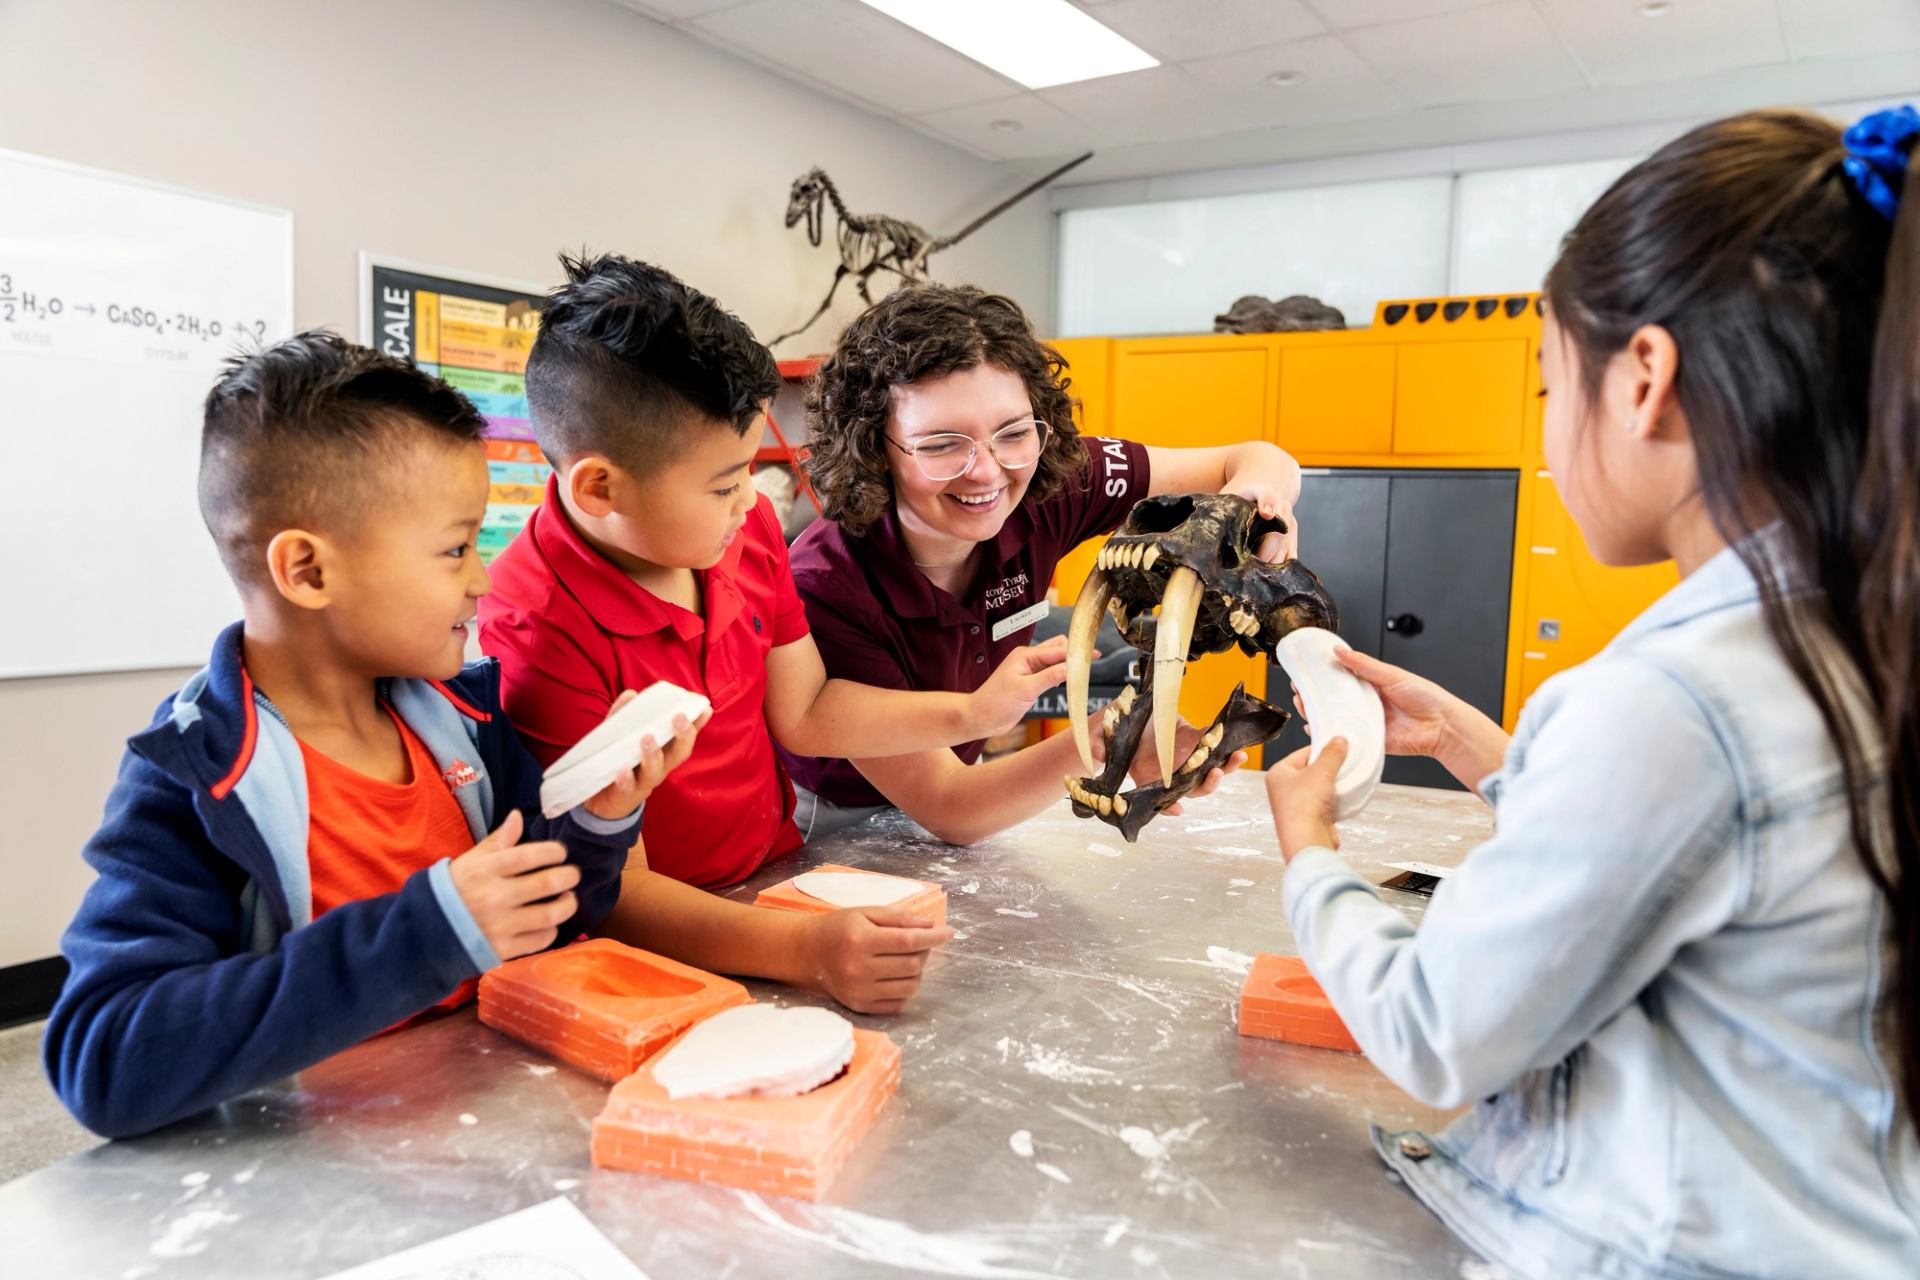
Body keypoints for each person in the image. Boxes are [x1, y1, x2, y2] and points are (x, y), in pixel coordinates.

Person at [1266, 107, 1920, 1277]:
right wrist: (1487, 749)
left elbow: (1437, 1028)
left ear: (1646, 380)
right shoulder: (1860, 623)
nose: (1554, 437)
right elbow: (1730, 849)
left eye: (1548, 387)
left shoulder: (1677, 695)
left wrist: (1309, 850)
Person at [46, 333, 663, 1138]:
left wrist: (597, 817)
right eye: (454, 549)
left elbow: (557, 912)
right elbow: (103, 1060)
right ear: (307, 571)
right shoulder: (196, 775)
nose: (481, 577)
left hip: (489, 1130)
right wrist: (426, 932)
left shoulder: (463, 724)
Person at [479, 255, 1071, 1014]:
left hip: (773, 879)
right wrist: (803, 950)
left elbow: (809, 710)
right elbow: (612, 889)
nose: (750, 502)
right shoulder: (536, 629)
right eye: (724, 483)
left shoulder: (742, 526)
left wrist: (971, 715)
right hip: (664, 947)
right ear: (601, 487)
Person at [785, 283, 1305, 844]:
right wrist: (1113, 740)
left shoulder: (1045, 483)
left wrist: (1262, 496)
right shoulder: (826, 585)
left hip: (969, 784)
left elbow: (1252, 457)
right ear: (870, 445)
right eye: (940, 445)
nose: (986, 473)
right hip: (839, 815)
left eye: (1012, 432)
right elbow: (951, 807)